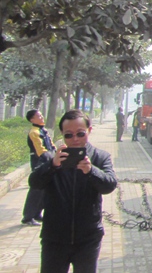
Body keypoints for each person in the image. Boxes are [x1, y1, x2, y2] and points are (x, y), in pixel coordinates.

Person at [29, 109, 117, 273]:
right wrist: (52, 166)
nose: (75, 139)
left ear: (89, 130)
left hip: (88, 238)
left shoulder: (100, 157)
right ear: (62, 134)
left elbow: (109, 185)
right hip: (54, 238)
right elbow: (34, 183)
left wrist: (91, 171)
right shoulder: (50, 158)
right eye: (68, 135)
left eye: (80, 133)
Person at [21, 108, 54, 226]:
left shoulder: (43, 130)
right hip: (39, 162)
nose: (42, 117)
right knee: (36, 189)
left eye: (41, 115)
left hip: (47, 160)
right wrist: (51, 158)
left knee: (44, 189)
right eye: (38, 116)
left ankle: (37, 214)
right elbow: (40, 150)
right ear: (32, 120)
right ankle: (28, 217)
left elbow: (51, 145)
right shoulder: (34, 132)